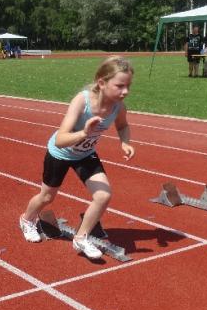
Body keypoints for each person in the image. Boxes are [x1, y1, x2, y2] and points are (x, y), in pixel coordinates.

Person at [18, 56, 135, 259]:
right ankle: (27, 219)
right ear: (102, 83)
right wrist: (84, 133)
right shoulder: (82, 101)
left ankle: (81, 237)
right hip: (60, 154)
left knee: (103, 196)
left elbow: (123, 125)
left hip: (85, 154)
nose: (125, 91)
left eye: (128, 86)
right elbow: (60, 140)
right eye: (120, 86)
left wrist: (125, 142)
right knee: (47, 197)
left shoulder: (118, 107)